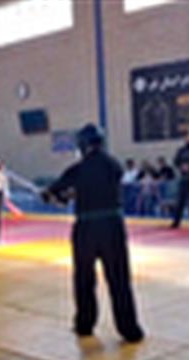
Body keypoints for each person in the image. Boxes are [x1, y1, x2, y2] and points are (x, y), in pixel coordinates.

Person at [41, 124, 145, 343]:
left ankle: (85, 324)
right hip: (112, 226)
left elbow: (58, 190)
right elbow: (98, 186)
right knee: (119, 279)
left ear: (82, 145)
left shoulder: (78, 169)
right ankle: (130, 329)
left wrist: (51, 195)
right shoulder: (113, 165)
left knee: (84, 278)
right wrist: (69, 194)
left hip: (87, 228)